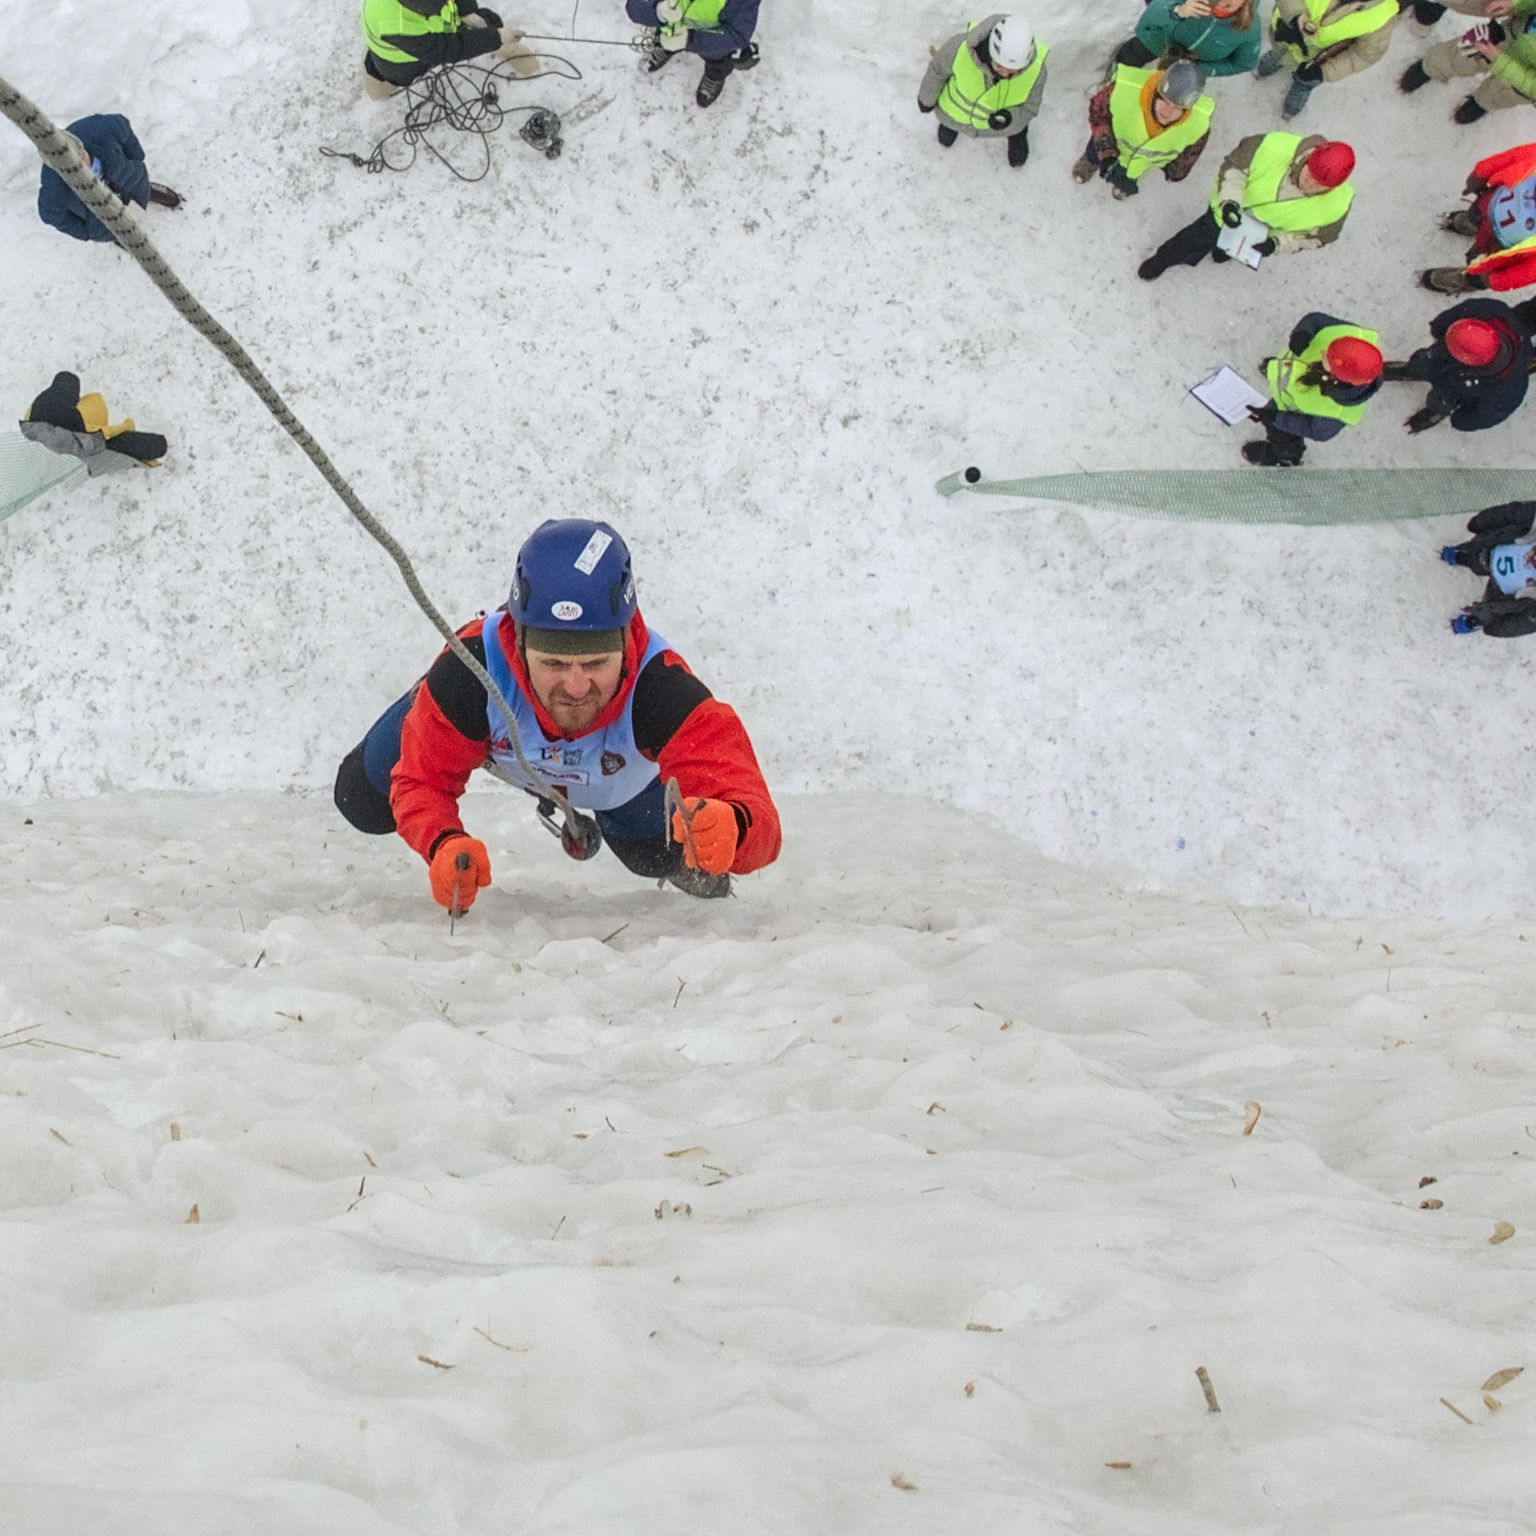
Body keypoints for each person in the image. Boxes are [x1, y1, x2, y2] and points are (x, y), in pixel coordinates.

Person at [334, 519, 781, 911]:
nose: (576, 687)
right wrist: (442, 842)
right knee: (362, 798)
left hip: (617, 784)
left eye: (596, 663)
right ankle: (435, 714)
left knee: (659, 856)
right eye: (553, 663)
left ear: (628, 643)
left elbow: (754, 808)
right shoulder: (470, 673)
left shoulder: (662, 688)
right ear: (518, 642)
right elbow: (421, 781)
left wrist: (734, 828)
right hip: (494, 734)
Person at [1138, 133, 1354, 279]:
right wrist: (1229, 202)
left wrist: (1276, 244)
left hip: (1254, 236)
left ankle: (1222, 252)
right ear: (1308, 159)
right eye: (1309, 175)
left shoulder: (1337, 207)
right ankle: (1163, 260)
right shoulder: (1272, 146)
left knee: (1224, 249)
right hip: (1224, 213)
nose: (1309, 184)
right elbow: (1234, 168)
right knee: (1193, 239)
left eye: (1319, 184)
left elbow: (1314, 238)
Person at [1243, 315, 1383, 464]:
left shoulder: (1338, 412)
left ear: (1337, 378)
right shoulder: (1354, 335)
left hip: (1289, 408)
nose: (1323, 353)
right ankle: (1277, 370)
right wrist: (1303, 332)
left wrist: (1276, 418)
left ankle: (1286, 455)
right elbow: (1316, 320)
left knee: (1281, 433)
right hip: (1291, 375)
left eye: (1328, 359)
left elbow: (1316, 431)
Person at [918, 15, 1048, 169]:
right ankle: (950, 125)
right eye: (999, 66)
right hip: (954, 113)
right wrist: (926, 99)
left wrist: (1010, 119)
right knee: (949, 124)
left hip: (999, 125)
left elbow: (1029, 108)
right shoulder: (960, 47)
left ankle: (1017, 135)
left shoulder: (1036, 72)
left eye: (1013, 70)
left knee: (1018, 126)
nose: (1004, 74)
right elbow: (937, 71)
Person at [1072, 59, 1214, 200]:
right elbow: (1098, 113)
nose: (1167, 111)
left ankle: (1124, 182)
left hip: (1140, 162)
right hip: (1112, 140)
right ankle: (1090, 160)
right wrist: (1107, 155)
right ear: (1157, 91)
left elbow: (1189, 155)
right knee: (1094, 151)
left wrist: (1176, 171)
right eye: (1164, 101)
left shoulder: (1198, 124)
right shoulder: (1124, 88)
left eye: (1177, 107)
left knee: (1133, 170)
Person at [1381, 300, 1533, 431]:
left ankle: (1437, 410)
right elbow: (1457, 314)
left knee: (1442, 400)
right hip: (1438, 358)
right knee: (1423, 362)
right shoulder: (1490, 312)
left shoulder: (1509, 386)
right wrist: (1440, 328)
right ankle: (1411, 370)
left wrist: (1461, 421)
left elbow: (1491, 413)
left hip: (1455, 390)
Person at [37, 114, 181, 244]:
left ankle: (146, 192)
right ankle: (119, 237)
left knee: (137, 187)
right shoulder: (52, 192)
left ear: (80, 147)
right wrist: (87, 232)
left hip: (128, 179)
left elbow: (126, 134)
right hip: (101, 216)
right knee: (116, 231)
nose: (82, 171)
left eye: (81, 162)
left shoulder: (103, 127)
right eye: (72, 172)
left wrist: (136, 160)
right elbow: (51, 216)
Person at [1421, 140, 1536, 293]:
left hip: (1501, 246)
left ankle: (1467, 279)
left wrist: (1496, 280)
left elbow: (1530, 271)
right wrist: (1482, 172)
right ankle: (1473, 224)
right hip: (1490, 203)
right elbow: (1517, 156)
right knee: (1475, 216)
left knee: (1481, 268)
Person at [1254, 0, 1400, 119]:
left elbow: (1365, 55)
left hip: (1316, 60)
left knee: (1307, 77)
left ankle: (1303, 84)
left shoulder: (1382, 16)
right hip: (1285, 30)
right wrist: (1294, 16)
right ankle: (1279, 56)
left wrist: (1323, 72)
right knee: (1281, 49)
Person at [361, 0, 534, 98]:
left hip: (432, 26)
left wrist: (468, 11)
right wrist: (496, 37)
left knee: (486, 21)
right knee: (388, 76)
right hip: (400, 60)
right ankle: (376, 88)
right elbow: (447, 49)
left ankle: (506, 46)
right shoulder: (395, 22)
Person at [1399, 0, 1536, 123]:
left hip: (1528, 81)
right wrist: (1517, 3)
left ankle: (1483, 102)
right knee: (1465, 54)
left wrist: (1500, 62)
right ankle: (1433, 67)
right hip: (1514, 29)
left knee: (1506, 92)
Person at [19, 372, 166, 473]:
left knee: (68, 380)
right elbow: (107, 434)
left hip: (41, 423)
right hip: (75, 434)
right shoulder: (95, 444)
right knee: (68, 381)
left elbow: (110, 432)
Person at [626, 0, 762, 109]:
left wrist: (690, 40)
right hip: (669, 32)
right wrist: (658, 12)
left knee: (718, 63)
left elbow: (737, 34)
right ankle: (668, 48)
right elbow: (634, 6)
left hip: (712, 42)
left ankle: (714, 76)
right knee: (666, 41)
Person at [1441, 501, 1536, 634]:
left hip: (1503, 593)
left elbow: (1521, 624)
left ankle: (1476, 619)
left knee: (1497, 611)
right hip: (1494, 551)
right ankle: (1463, 556)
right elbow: (1514, 514)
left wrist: (1492, 625)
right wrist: (1482, 522)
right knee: (1477, 560)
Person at [1114, 0, 1262, 78]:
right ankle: (1116, 75)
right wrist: (1178, 10)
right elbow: (1150, 16)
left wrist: (1201, 69)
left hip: (1188, 70)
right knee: (1130, 56)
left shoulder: (1250, 29)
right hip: (1158, 40)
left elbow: (1242, 64)